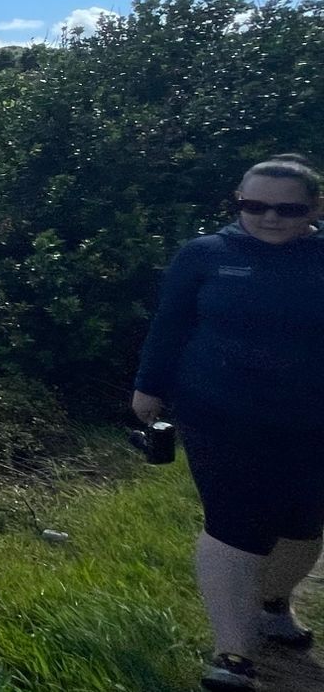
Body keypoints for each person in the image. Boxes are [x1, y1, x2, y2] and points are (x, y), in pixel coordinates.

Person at [135, 154, 324, 691]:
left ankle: (272, 603)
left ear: (315, 208)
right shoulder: (205, 255)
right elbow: (170, 322)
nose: (269, 217)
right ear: (237, 202)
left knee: (302, 528)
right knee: (235, 520)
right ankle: (232, 654)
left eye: (287, 208)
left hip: (312, 418)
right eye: (254, 205)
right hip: (218, 411)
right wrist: (147, 389)